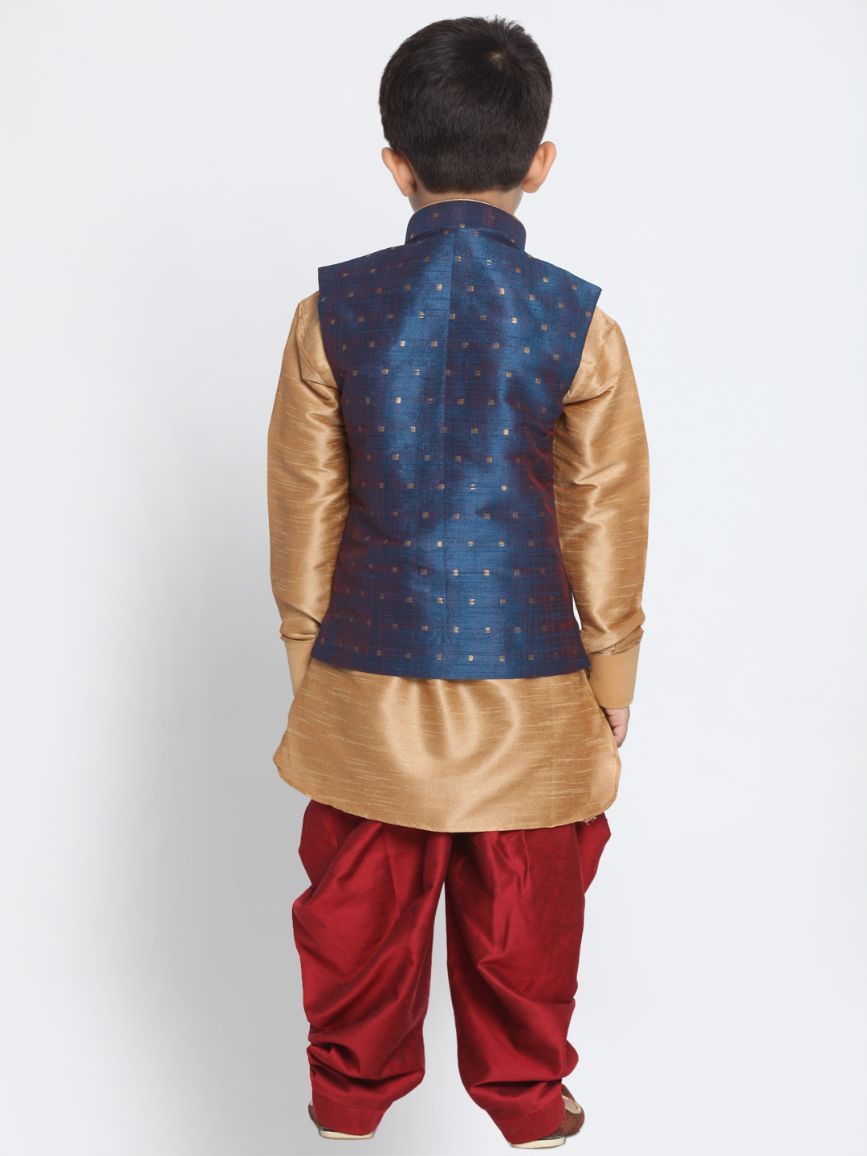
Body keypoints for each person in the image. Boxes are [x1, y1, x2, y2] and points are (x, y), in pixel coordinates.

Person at [266, 15, 650, 1149]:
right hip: (533, 706)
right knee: (527, 955)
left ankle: (346, 1119)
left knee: (355, 952)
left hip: (365, 697)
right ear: (541, 161)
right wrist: (614, 681)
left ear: (396, 164)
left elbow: (304, 516)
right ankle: (530, 1115)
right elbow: (604, 518)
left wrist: (312, 674)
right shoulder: (581, 323)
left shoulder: (328, 315)